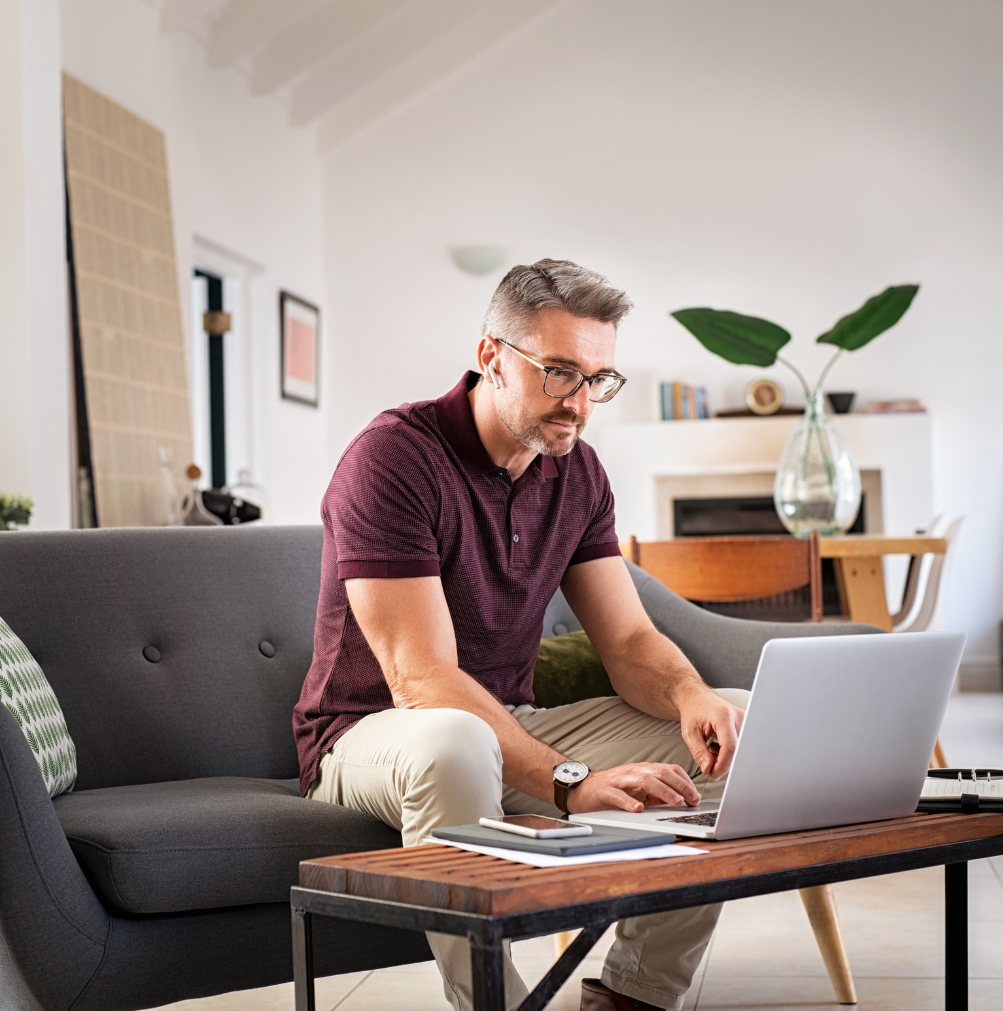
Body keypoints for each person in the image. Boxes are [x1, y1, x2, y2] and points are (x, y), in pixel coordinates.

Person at [293, 259, 748, 1011]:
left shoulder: (578, 474)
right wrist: (569, 783)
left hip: (511, 725)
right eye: (560, 372)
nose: (579, 403)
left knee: (730, 723)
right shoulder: (393, 461)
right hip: (370, 734)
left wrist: (693, 694)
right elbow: (421, 680)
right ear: (491, 358)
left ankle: (635, 996)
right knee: (453, 740)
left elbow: (630, 644)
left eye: (599, 379)